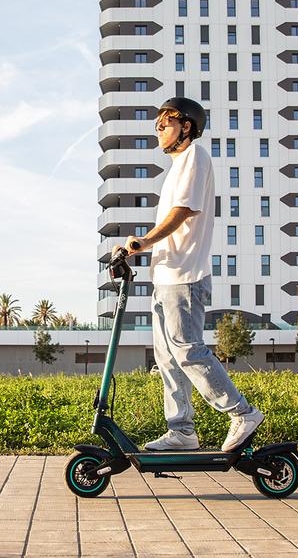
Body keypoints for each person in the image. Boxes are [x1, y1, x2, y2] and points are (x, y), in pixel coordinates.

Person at [113, 97, 264, 452]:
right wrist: (140, 250)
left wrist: (144, 241)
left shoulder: (195, 157)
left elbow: (183, 212)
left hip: (185, 277)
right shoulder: (176, 169)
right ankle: (182, 430)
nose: (158, 131)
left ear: (186, 126)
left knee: (188, 351)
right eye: (158, 126)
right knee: (167, 359)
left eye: (164, 124)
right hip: (165, 278)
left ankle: (242, 413)